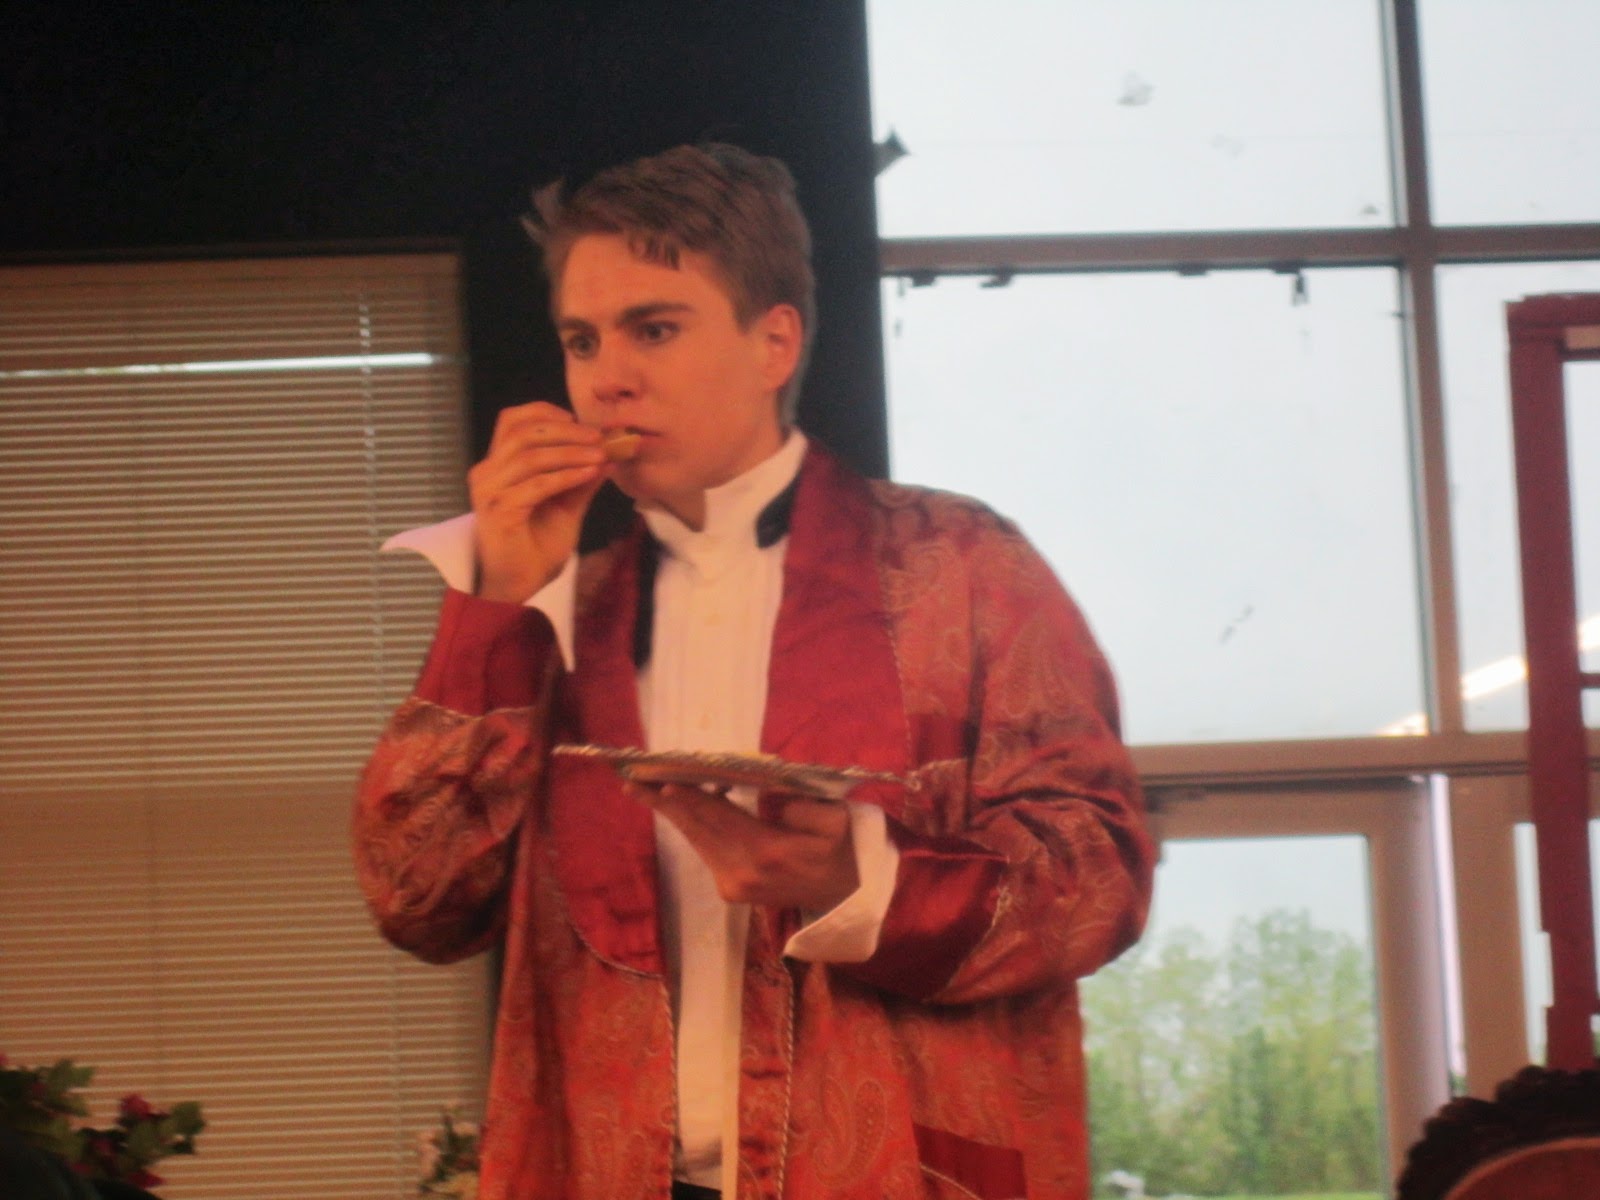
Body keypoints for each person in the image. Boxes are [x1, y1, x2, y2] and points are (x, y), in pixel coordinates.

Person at [353, 142, 1155, 1200]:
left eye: (654, 328)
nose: (606, 377)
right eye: (582, 340)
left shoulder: (964, 568)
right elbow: (416, 899)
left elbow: (1098, 880)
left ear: (774, 341)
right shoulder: (555, 616)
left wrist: (858, 882)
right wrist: (496, 604)